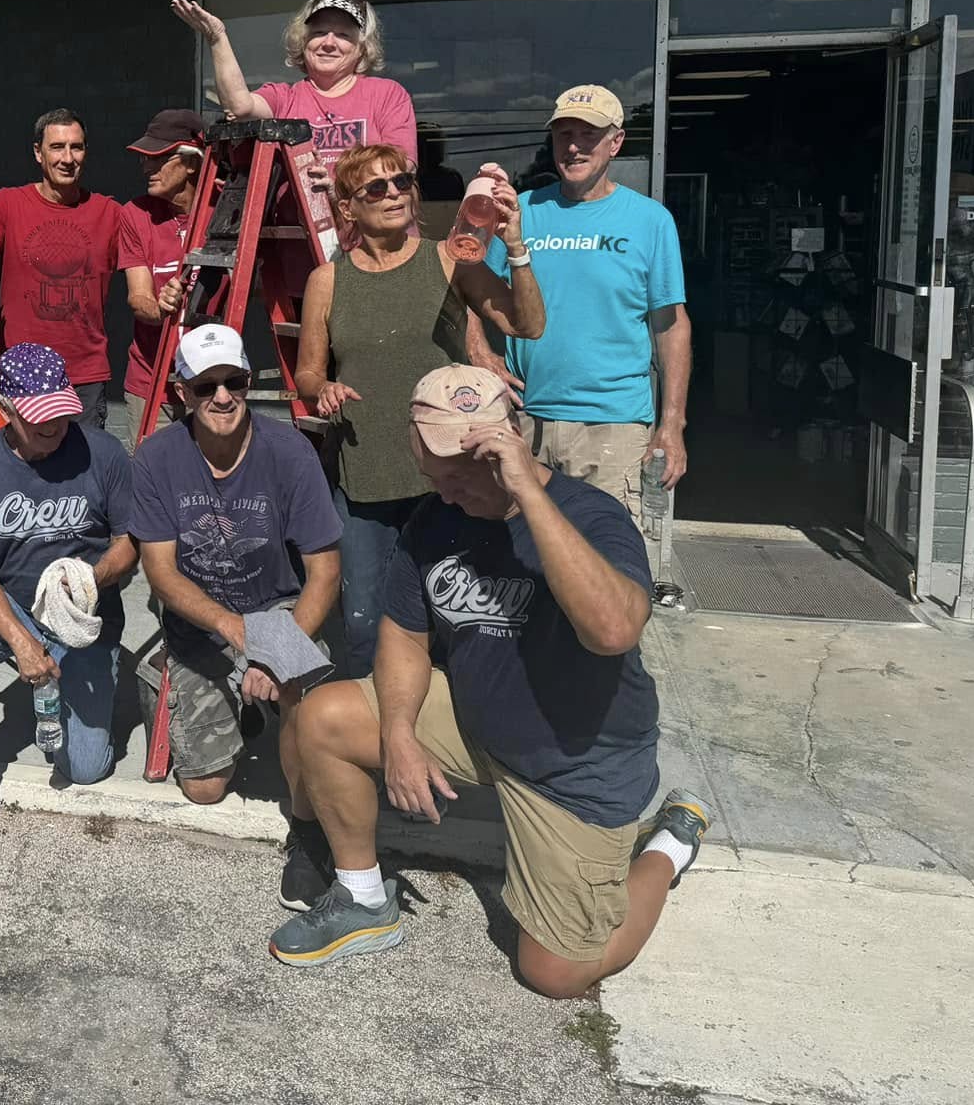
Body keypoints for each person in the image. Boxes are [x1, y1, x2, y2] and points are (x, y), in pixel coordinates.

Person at [271, 365, 711, 1000]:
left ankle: (668, 845)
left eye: (462, 474)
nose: (446, 494)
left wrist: (528, 496)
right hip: (481, 723)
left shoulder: (592, 515)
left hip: (576, 765)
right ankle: (364, 899)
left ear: (512, 442)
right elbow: (404, 632)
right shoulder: (435, 519)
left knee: (553, 973)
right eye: (434, 478)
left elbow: (614, 630)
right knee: (323, 717)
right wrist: (398, 734)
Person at [293, 145, 545, 675]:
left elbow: (527, 324)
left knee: (458, 617)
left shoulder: (449, 259)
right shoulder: (328, 281)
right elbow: (308, 372)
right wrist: (325, 389)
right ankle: (378, 729)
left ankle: (455, 728)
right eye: (376, 188)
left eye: (402, 182)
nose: (394, 194)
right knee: (365, 623)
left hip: (452, 479)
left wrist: (515, 247)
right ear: (347, 208)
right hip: (365, 478)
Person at [129, 323, 345, 910]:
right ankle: (168, 678)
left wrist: (274, 648)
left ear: (249, 382)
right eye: (205, 387)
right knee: (202, 791)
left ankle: (308, 834)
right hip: (200, 620)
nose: (221, 397)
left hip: (274, 607)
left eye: (234, 382)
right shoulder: (157, 458)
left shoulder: (289, 451)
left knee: (312, 707)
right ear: (182, 393)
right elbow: (161, 573)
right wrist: (237, 635)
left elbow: (325, 573)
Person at [0, 344, 138, 869]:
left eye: (61, 413)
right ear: (5, 409)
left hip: (83, 604)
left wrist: (90, 577)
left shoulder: (103, 455)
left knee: (82, 767)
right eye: (39, 420)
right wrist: (22, 642)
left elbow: (131, 541)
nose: (55, 428)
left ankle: (99, 681)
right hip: (11, 593)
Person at [484, 85, 691, 519]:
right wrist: (482, 355)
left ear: (615, 142)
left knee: (608, 566)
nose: (574, 147)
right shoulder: (519, 211)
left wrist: (671, 425)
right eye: (563, 135)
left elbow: (670, 326)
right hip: (524, 422)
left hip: (613, 428)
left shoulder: (650, 220)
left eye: (588, 134)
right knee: (522, 564)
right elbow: (470, 296)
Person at [171, 0, 418, 185]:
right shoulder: (284, 96)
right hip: (299, 243)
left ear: (362, 47)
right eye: (319, 32)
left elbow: (402, 166)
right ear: (303, 42)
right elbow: (240, 106)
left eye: (343, 35)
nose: (329, 43)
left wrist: (339, 187)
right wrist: (217, 38)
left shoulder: (387, 94)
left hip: (370, 244)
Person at [0, 109, 123, 428]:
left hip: (84, 376)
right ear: (38, 152)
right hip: (20, 371)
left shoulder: (109, 213)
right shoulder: (7, 204)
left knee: (82, 475)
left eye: (76, 147)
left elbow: (145, 262)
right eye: (57, 147)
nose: (67, 158)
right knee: (12, 474)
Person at [118, 108, 205, 433]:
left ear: (192, 162)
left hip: (211, 378)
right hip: (150, 381)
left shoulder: (225, 211)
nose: (146, 166)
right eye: (144, 158)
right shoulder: (135, 213)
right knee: (151, 480)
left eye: (158, 158)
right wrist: (161, 308)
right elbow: (138, 296)